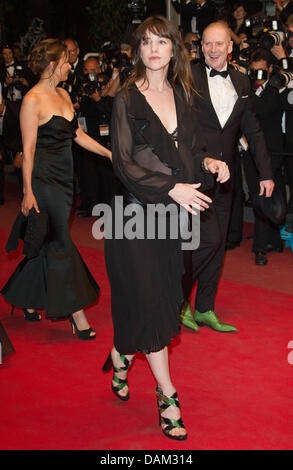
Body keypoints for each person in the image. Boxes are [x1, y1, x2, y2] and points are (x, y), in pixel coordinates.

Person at [103, 15, 230, 440]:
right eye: (146, 43)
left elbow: (190, 149)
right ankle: (168, 396)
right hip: (133, 218)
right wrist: (172, 187)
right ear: (138, 51)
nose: (154, 49)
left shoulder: (182, 94)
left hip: (173, 219)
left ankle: (121, 356)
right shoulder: (126, 99)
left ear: (174, 49)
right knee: (154, 302)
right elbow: (124, 163)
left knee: (162, 298)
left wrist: (208, 162)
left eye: (162, 41)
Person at [1, 39, 111, 340]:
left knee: (48, 239)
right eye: (65, 61)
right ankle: (76, 313)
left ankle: (24, 297)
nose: (69, 66)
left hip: (64, 180)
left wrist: (110, 154)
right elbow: (28, 148)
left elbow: (78, 135)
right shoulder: (32, 100)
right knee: (61, 240)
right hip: (42, 180)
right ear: (52, 65)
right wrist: (27, 190)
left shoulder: (63, 93)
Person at [180, 22, 274, 332]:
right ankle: (180, 303)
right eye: (207, 43)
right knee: (195, 242)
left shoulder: (242, 81)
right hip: (193, 174)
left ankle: (205, 307)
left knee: (218, 243)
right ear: (201, 46)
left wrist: (265, 173)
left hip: (226, 178)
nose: (213, 49)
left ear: (230, 48)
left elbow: (254, 131)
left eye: (219, 44)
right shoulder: (187, 76)